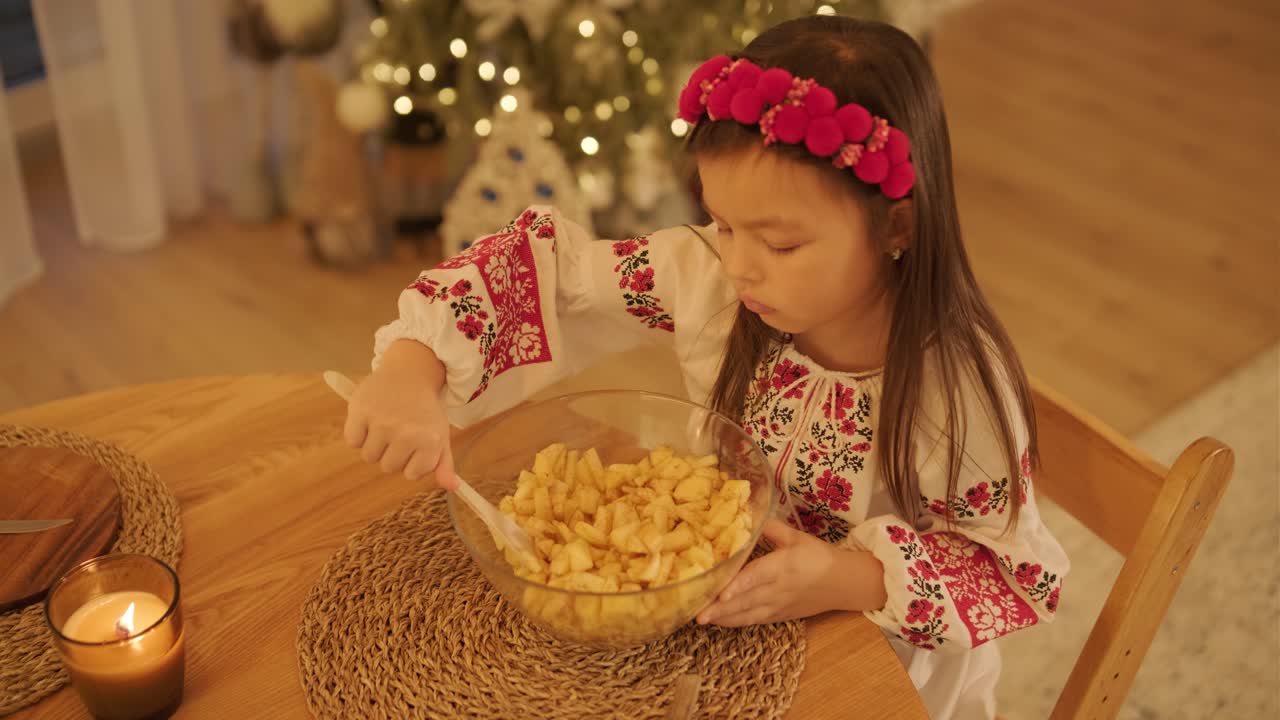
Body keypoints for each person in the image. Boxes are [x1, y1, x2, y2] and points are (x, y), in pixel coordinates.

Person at [343, 15, 1068, 719]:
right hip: (717, 628)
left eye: (780, 245)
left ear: (896, 226)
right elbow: (548, 277)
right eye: (722, 223)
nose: (738, 266)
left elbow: (1013, 574)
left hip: (886, 667)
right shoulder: (705, 277)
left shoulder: (959, 394)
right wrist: (413, 366)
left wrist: (845, 576)